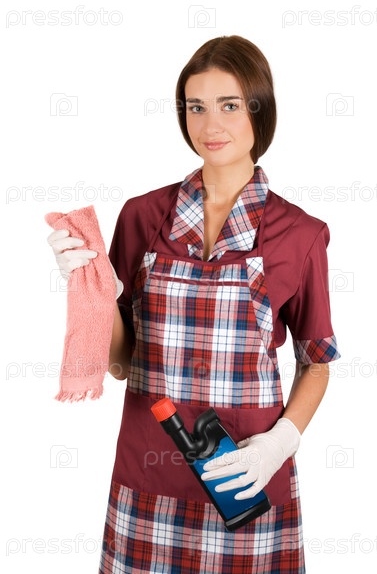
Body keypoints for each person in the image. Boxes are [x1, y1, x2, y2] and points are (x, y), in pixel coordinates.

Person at [48, 35, 340, 573]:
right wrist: (93, 288)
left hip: (246, 482)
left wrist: (280, 443)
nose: (210, 125)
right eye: (196, 107)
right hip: (147, 482)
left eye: (229, 105)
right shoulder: (142, 216)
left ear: (260, 111)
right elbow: (122, 363)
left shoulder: (300, 234)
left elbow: (316, 362)